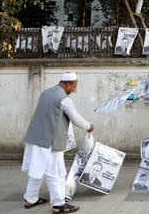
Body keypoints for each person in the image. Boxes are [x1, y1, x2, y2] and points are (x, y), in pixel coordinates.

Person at [22, 72, 94, 213]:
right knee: (56, 172)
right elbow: (76, 118)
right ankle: (58, 204)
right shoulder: (63, 99)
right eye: (74, 86)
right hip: (50, 142)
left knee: (37, 170)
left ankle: (30, 199)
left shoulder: (46, 93)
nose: (74, 90)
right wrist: (89, 126)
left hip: (36, 138)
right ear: (66, 84)